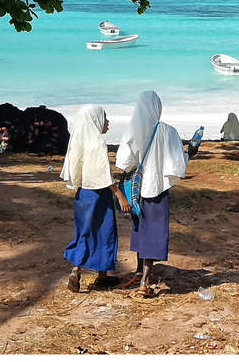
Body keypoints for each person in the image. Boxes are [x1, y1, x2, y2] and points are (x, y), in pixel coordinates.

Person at [115, 90, 188, 297]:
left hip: (136, 192)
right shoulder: (167, 131)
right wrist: (190, 154)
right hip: (156, 189)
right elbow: (177, 165)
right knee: (154, 233)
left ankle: (140, 272)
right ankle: (145, 282)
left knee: (140, 230)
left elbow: (123, 162)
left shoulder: (131, 131)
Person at [60, 104, 131, 293]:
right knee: (105, 232)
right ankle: (100, 276)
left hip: (83, 194)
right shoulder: (97, 142)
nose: (108, 122)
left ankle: (78, 270)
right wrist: (119, 195)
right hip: (99, 195)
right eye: (104, 118)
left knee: (84, 232)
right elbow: (103, 173)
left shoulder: (77, 141)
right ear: (94, 120)